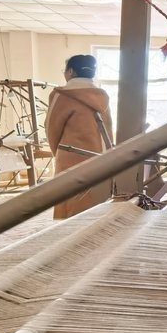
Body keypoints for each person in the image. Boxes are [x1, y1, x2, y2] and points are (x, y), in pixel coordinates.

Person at [45, 54, 114, 219]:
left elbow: (52, 128)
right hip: (99, 154)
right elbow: (108, 127)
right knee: (95, 199)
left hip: (71, 154)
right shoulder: (102, 95)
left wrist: (58, 153)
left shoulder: (61, 95)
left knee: (71, 201)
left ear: (71, 71)